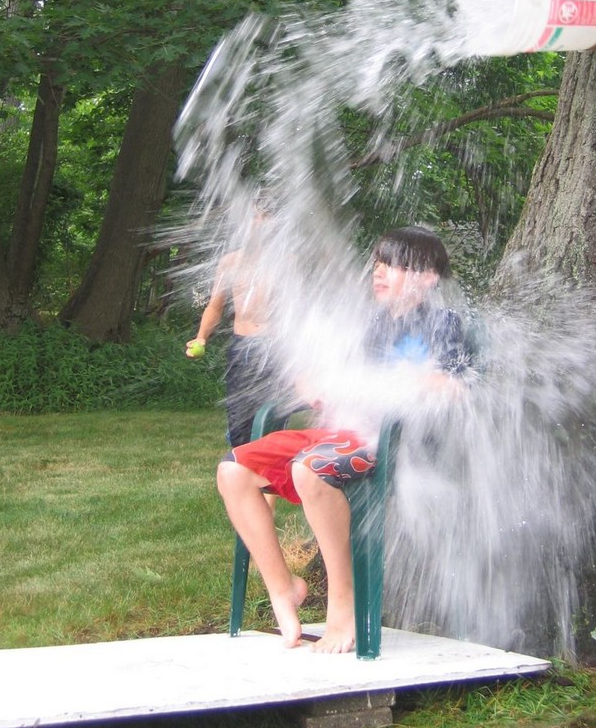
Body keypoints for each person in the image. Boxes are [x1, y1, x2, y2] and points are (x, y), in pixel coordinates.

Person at [215, 225, 468, 654]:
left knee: (309, 469)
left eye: (397, 265)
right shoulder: (371, 324)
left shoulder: (442, 324)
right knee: (233, 471)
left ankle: (343, 601)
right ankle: (284, 588)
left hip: (393, 444)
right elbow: (329, 373)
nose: (381, 272)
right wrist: (313, 382)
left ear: (428, 279)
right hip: (342, 435)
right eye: (379, 263)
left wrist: (391, 383)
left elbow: (453, 387)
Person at [187, 205, 285, 448]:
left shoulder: (287, 262)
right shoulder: (230, 263)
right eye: (252, 217)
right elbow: (214, 307)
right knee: (240, 418)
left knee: (274, 419)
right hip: (243, 348)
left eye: (263, 217)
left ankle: (269, 477)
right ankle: (240, 465)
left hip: (277, 349)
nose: (256, 223)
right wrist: (201, 337)